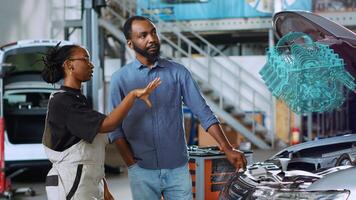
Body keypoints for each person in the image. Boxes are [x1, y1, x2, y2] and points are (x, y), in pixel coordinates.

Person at [109, 16, 247, 200]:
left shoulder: (178, 72)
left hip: (177, 169)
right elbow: (114, 129)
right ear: (130, 43)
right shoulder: (120, 79)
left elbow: (203, 112)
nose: (152, 39)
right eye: (143, 36)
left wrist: (227, 147)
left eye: (153, 32)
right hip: (142, 170)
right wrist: (131, 164)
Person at [41, 42, 161, 200]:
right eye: (85, 59)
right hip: (70, 184)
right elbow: (108, 124)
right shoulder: (63, 102)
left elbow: (89, 153)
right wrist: (132, 95)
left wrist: (103, 187)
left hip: (85, 182)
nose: (91, 65)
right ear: (69, 65)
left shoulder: (77, 99)